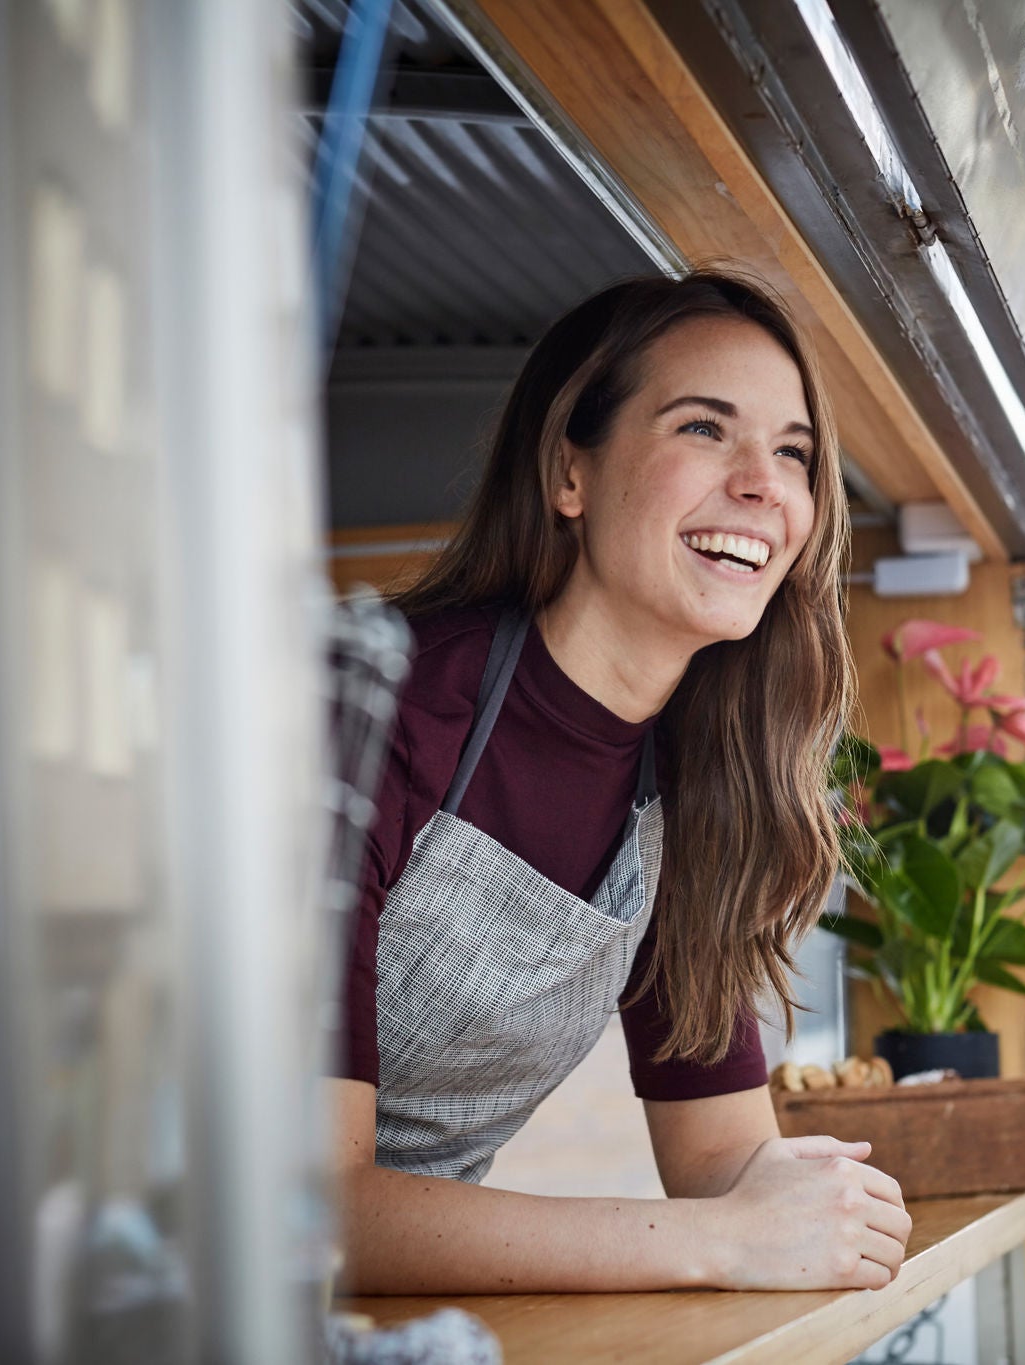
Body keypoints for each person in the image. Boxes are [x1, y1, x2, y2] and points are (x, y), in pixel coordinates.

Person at [329, 270, 910, 1294]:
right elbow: (306, 1208)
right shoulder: (367, 708)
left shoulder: (699, 795)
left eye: (793, 453)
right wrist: (722, 1243)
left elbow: (721, 1161)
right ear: (569, 473)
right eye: (702, 429)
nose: (760, 485)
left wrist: (819, 1197)